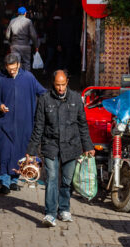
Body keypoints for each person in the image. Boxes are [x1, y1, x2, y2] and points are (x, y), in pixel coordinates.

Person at [26, 70, 94, 227]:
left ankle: (64, 208)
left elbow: (82, 125)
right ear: (53, 83)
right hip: (51, 145)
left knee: (67, 180)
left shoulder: (76, 99)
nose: (61, 88)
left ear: (67, 82)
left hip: (71, 146)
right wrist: (31, 150)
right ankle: (50, 213)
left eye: (63, 85)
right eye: (58, 85)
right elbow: (39, 126)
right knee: (51, 178)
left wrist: (88, 146)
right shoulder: (44, 99)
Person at [0, 53, 47, 194]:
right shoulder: (0, 78)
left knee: (20, 153)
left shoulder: (28, 78)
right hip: (4, 124)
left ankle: (14, 180)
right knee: (4, 152)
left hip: (24, 125)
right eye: (10, 69)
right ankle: (4, 182)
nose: (12, 71)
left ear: (19, 65)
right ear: (6, 67)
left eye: (14, 68)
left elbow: (42, 92)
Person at [5, 7, 39, 71]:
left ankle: (17, 79)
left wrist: (11, 43)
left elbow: (7, 35)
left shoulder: (12, 21)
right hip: (25, 46)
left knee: (16, 64)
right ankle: (26, 79)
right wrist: (36, 45)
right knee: (26, 64)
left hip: (14, 46)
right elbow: (33, 35)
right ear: (25, 13)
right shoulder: (28, 21)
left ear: (17, 13)